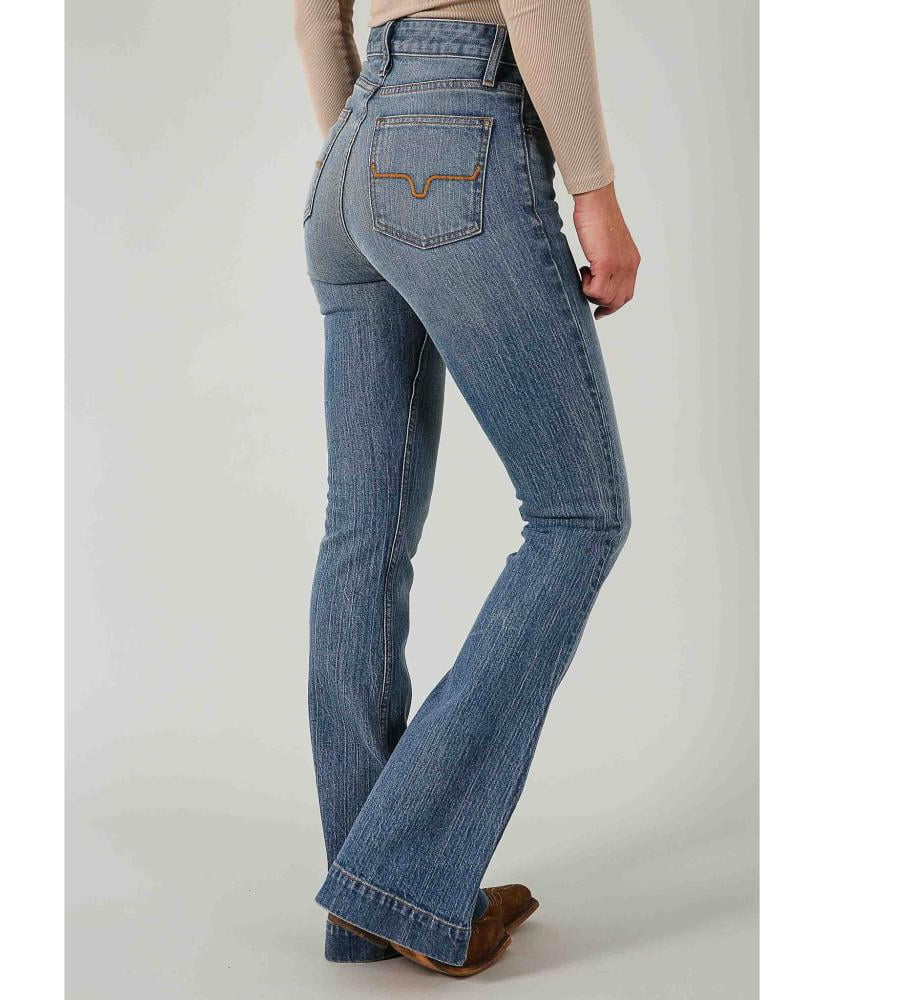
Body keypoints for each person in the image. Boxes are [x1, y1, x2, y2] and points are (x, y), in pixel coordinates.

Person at [293, 0, 639, 978]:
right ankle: (400, 877)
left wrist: (371, 150)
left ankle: (369, 900)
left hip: (351, 153)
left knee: (363, 531)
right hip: (457, 129)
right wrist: (596, 193)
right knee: (579, 515)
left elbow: (314, 22)